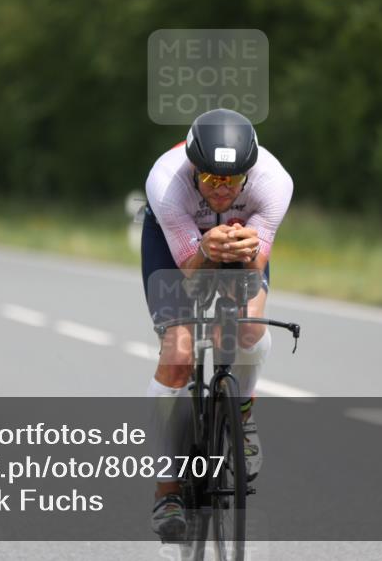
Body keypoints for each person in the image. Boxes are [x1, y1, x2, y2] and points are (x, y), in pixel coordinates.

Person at [142, 109, 293, 538]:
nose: (222, 190)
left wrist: (246, 251)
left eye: (232, 180)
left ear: (249, 172)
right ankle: (167, 488)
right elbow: (190, 272)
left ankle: (241, 411)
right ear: (194, 169)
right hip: (177, 244)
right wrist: (205, 248)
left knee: (247, 327)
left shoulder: (274, 182)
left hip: (241, 238)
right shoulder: (166, 183)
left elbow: (255, 270)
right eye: (210, 179)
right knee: (178, 354)